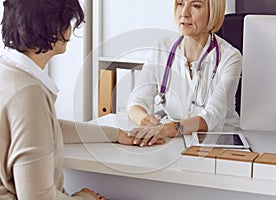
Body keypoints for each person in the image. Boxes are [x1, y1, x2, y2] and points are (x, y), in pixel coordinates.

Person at [0, 0, 151, 199]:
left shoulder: (8, 72)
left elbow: (47, 129)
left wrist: (116, 134)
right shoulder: (30, 93)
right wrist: (85, 198)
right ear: (53, 27)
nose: (70, 29)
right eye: (68, 21)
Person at [127, 0, 242, 147]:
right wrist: (145, 120)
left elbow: (211, 117)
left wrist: (166, 128)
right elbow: (136, 101)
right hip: (175, 142)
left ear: (213, 12)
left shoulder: (230, 57)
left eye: (196, 6)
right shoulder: (161, 49)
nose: (184, 13)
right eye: (180, 4)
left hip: (219, 145)